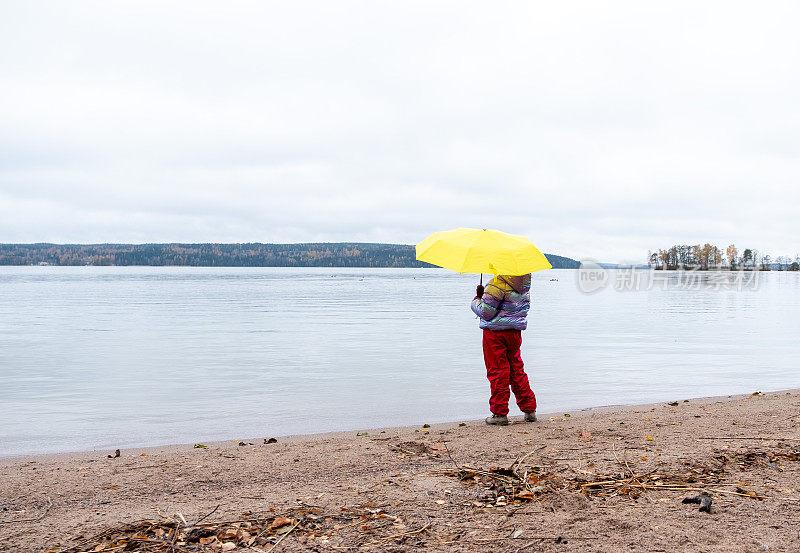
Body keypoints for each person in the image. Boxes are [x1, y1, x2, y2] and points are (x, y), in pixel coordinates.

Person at [471, 273, 537, 425]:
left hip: (494, 333)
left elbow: (486, 313)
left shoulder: (496, 284)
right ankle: (529, 409)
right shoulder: (523, 286)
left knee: (497, 371)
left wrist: (476, 300)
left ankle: (499, 413)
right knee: (516, 369)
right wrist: (484, 295)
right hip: (514, 333)